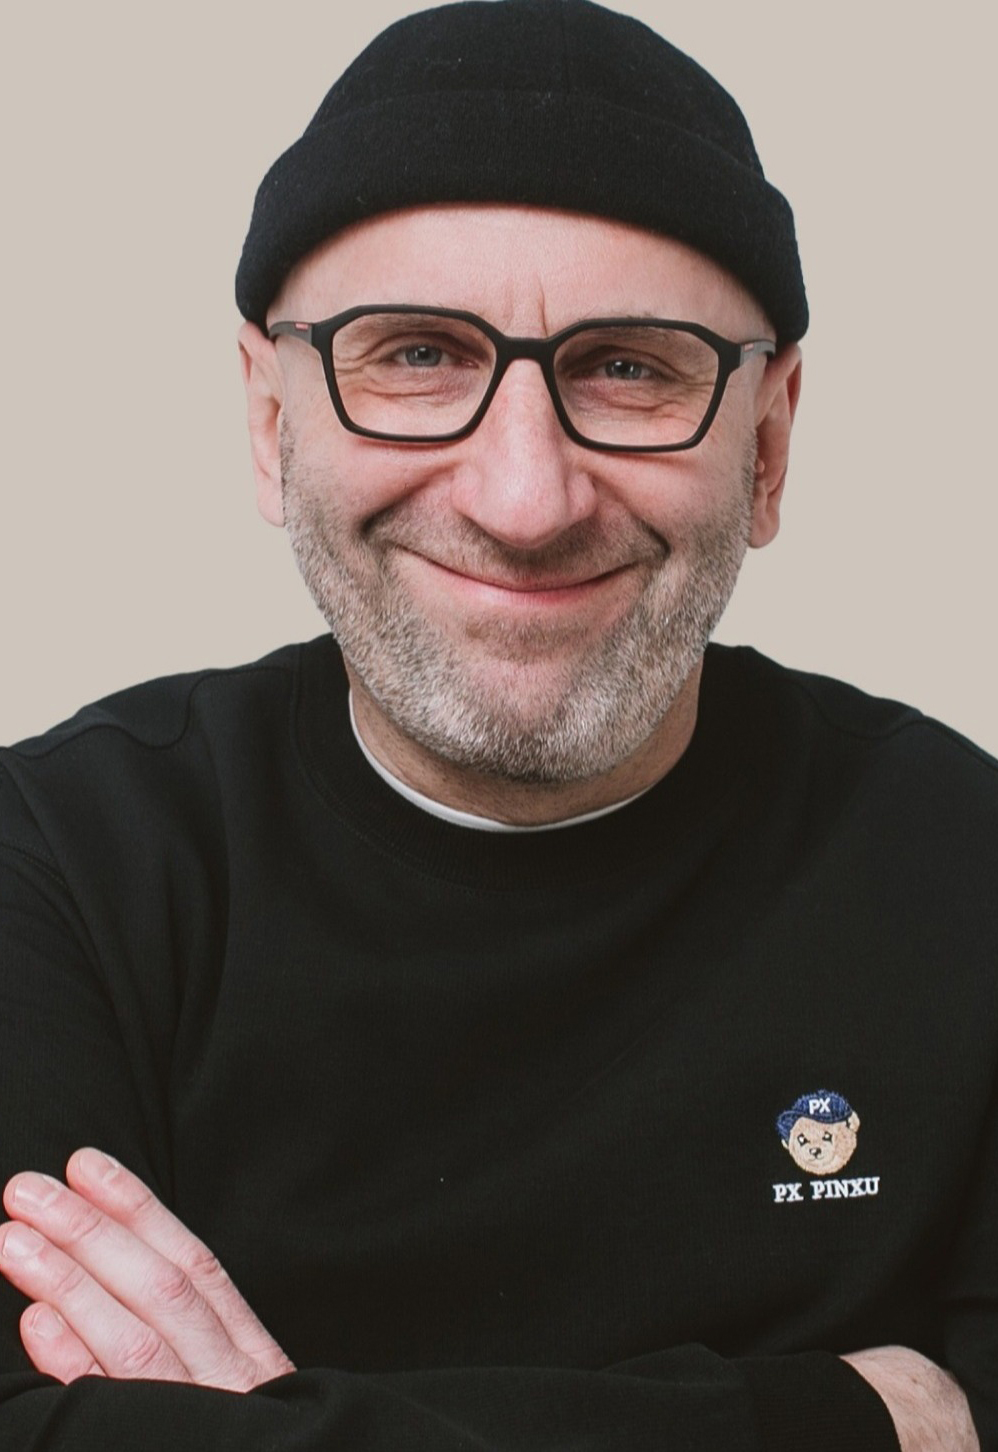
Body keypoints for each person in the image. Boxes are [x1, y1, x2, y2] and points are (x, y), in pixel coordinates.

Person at [0, 2, 993, 1448]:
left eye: (630, 367)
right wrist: (841, 1421)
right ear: (272, 424)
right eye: (414, 355)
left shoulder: (967, 866)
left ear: (770, 444)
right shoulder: (59, 869)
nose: (525, 500)